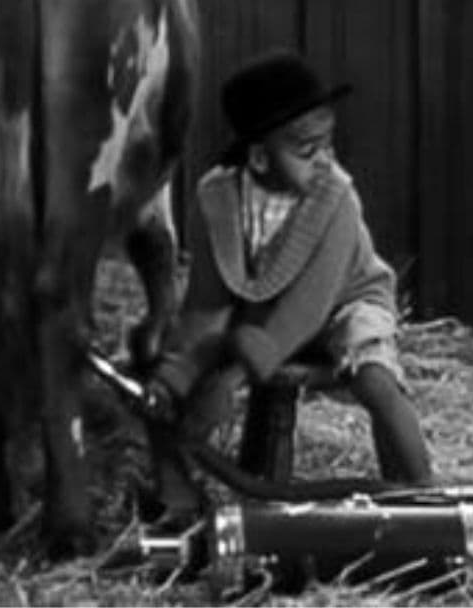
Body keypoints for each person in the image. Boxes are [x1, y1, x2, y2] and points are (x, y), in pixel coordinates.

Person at [142, 50, 434, 525]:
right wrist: (180, 373)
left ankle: (424, 492)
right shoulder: (216, 198)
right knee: (168, 385)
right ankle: (177, 499)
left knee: (374, 377)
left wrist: (233, 378)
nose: (325, 161)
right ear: (259, 156)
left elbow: (309, 306)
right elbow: (208, 304)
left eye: (328, 145)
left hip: (344, 303)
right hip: (255, 313)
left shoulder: (337, 197)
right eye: (307, 151)